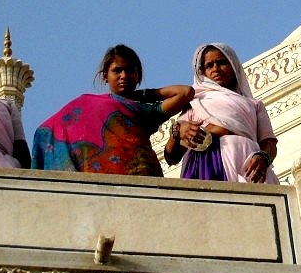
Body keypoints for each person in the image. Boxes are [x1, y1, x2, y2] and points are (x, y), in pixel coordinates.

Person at [32, 44, 193, 176]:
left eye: (130, 71)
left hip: (140, 178)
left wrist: (143, 95)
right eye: (117, 70)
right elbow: (45, 131)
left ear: (138, 76)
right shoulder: (86, 104)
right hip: (100, 182)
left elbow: (185, 92)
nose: (124, 75)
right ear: (105, 76)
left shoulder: (143, 110)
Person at [164, 43, 278, 184]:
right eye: (209, 65)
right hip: (205, 167)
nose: (216, 69)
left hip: (248, 166)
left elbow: (269, 143)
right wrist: (177, 131)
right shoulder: (195, 103)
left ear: (233, 65)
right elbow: (171, 157)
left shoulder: (254, 105)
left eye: (221, 63)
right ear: (202, 72)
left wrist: (263, 157)